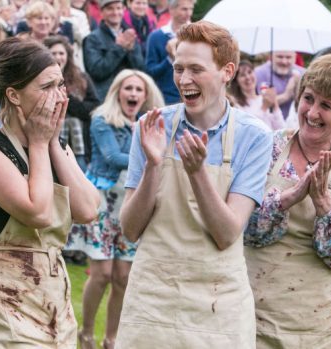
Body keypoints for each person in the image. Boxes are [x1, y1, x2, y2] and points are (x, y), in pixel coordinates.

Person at [116, 21, 273, 348]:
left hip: (217, 304)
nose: (184, 80)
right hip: (153, 298)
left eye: (196, 70)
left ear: (227, 71)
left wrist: (197, 172)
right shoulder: (151, 126)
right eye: (179, 68)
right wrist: (153, 166)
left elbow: (227, 233)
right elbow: (130, 229)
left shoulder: (254, 137)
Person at [0, 37, 99, 347]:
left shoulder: (55, 147)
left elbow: (88, 210)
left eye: (61, 85)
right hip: (1, 294)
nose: (59, 97)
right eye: (46, 87)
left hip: (51, 295)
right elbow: (37, 212)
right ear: (13, 95)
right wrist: (39, 143)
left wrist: (51, 142)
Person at [244, 52, 331, 347]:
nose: (312, 112)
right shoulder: (267, 148)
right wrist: (288, 198)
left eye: (326, 106)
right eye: (308, 98)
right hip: (255, 318)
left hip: (322, 325)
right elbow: (242, 231)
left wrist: (324, 204)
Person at [74, 69, 163, 349]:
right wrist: (146, 149)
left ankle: (112, 339)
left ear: (146, 95)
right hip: (102, 201)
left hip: (130, 203)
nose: (133, 94)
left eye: (139, 90)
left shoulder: (150, 124)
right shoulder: (102, 119)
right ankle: (86, 332)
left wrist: (148, 143)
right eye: (128, 89)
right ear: (117, 92)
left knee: (124, 277)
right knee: (101, 274)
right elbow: (112, 157)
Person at [44, 35, 100, 168]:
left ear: (68, 56)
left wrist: (66, 98)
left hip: (78, 140)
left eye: (61, 53)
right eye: (53, 53)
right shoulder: (40, 79)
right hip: (49, 138)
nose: (58, 57)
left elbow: (94, 107)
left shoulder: (81, 78)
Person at [83, 0, 145, 100]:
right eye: (110, 9)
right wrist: (120, 48)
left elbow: (140, 68)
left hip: (130, 96)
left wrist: (130, 50)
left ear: (124, 10)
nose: (115, 12)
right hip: (106, 97)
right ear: (101, 12)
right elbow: (97, 71)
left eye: (118, 8)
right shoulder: (92, 38)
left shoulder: (130, 35)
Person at [145, 0, 194, 105]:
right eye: (184, 9)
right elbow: (150, 73)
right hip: (163, 100)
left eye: (191, 9)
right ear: (171, 10)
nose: (189, 13)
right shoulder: (156, 36)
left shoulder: (197, 36)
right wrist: (170, 59)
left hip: (192, 97)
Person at [229, 60, 285, 131]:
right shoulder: (236, 106)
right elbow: (250, 130)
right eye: (242, 75)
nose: (248, 77)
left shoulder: (264, 99)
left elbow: (281, 129)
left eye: (250, 72)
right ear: (236, 81)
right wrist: (264, 108)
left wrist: (275, 105)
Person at [254, 50, 305, 119]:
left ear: (295, 58)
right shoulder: (259, 73)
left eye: (288, 57)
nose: (284, 62)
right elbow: (259, 104)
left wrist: (297, 88)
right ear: (271, 57)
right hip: (267, 122)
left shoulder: (303, 73)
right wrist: (286, 95)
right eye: (280, 57)